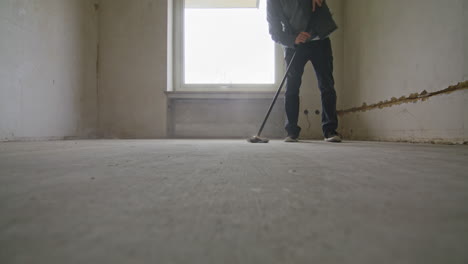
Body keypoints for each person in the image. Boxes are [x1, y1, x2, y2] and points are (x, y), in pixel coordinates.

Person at [266, 0, 342, 143]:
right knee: (292, 88)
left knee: (327, 85)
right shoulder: (272, 2)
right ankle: (292, 131)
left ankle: (330, 130)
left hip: (320, 40)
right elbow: (275, 32)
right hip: (294, 46)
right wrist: (293, 39)